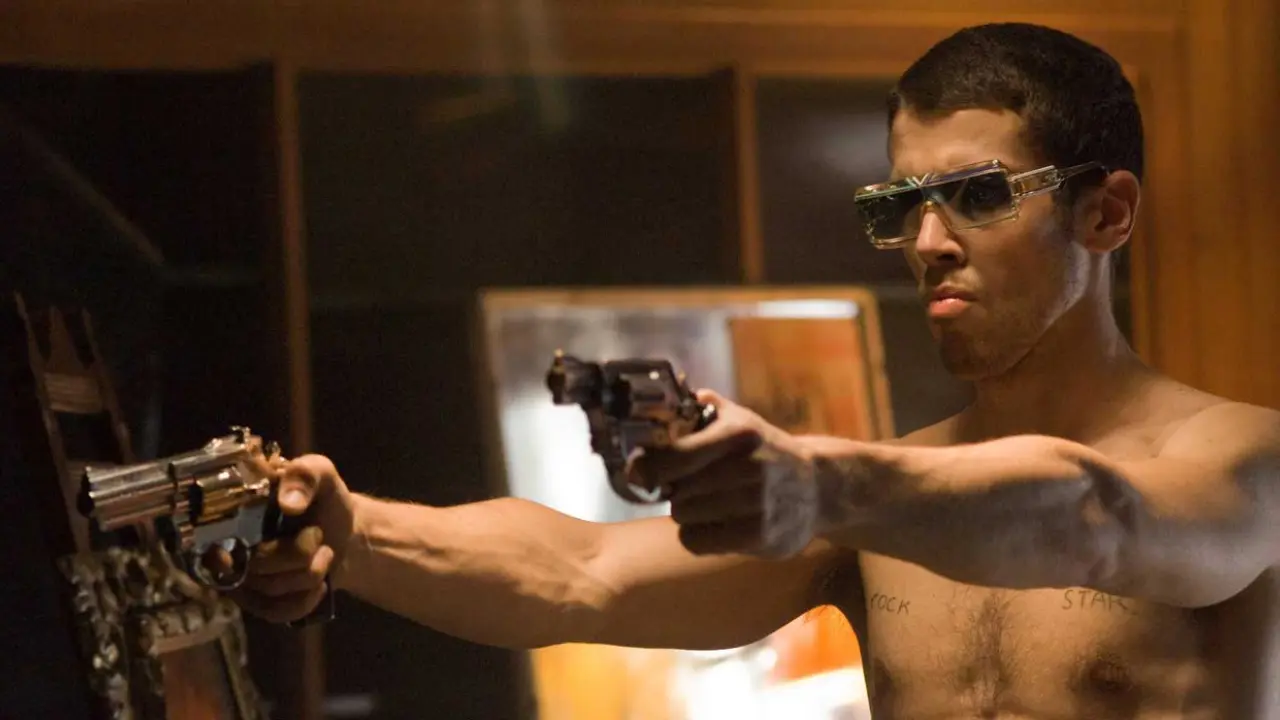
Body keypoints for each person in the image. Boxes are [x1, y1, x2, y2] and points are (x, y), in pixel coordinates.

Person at [235, 22, 1280, 718]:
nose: (926, 243)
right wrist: (356, 536)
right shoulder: (882, 501)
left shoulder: (1244, 459)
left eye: (977, 195)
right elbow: (580, 574)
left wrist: (818, 483)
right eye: (897, 207)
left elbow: (1096, 520)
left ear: (1105, 213)